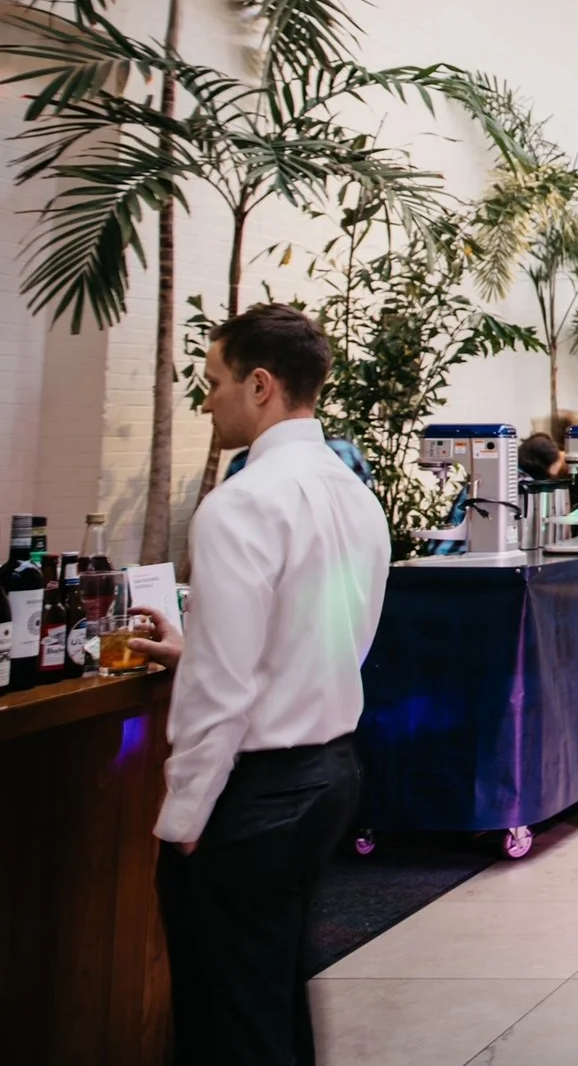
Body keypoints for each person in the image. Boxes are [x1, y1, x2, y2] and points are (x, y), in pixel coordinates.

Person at [135, 303, 390, 1066]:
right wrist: (200, 649)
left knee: (226, 1022)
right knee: (275, 1000)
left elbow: (220, 695)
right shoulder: (353, 493)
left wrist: (184, 814)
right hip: (331, 775)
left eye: (213, 382)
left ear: (260, 384)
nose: (205, 399)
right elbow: (333, 637)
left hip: (257, 795)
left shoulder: (240, 503)